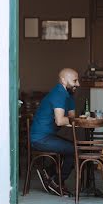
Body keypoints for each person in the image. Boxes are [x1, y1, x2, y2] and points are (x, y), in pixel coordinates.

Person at [30, 68, 80, 196]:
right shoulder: (59, 93)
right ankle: (56, 181)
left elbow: (70, 117)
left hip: (47, 136)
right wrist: (77, 120)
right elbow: (60, 121)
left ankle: (50, 172)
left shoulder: (65, 94)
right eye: (75, 80)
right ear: (63, 80)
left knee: (71, 146)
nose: (78, 84)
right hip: (40, 139)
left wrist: (74, 119)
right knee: (74, 149)